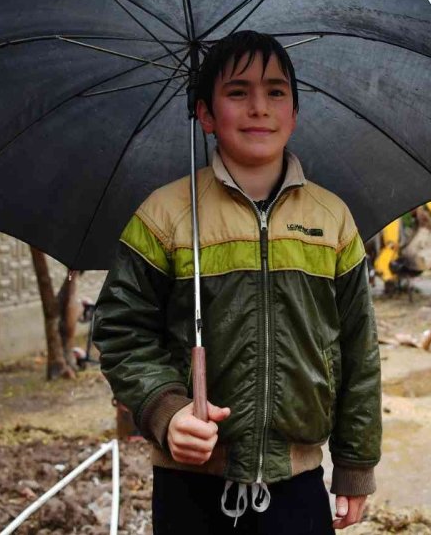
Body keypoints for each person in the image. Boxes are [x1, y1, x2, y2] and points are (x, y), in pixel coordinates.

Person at [92, 31, 381, 534]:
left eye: (275, 92)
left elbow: (359, 351)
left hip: (297, 485)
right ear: (204, 114)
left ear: (294, 112)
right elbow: (121, 331)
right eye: (237, 92)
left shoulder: (332, 219)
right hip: (192, 488)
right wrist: (167, 411)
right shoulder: (166, 215)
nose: (258, 108)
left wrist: (355, 467)